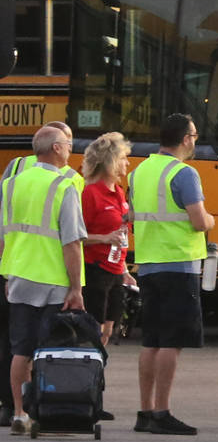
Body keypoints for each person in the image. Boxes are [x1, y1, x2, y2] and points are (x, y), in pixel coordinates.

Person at [129, 113, 214, 436]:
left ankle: (145, 410)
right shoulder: (184, 174)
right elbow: (197, 220)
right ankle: (163, 412)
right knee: (172, 341)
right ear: (186, 139)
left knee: (151, 340)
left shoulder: (140, 172)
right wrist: (211, 221)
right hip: (179, 265)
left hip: (149, 264)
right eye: (194, 136)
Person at [0, 125, 87, 435]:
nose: (70, 149)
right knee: (50, 348)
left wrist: (7, 273)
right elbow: (72, 243)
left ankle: (19, 413)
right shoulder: (64, 187)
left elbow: (3, 236)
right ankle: (43, 410)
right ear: (56, 149)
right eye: (67, 144)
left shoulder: (10, 184)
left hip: (19, 276)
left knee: (20, 349)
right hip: (54, 280)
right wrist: (76, 287)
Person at [81, 132, 134, 348]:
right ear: (110, 161)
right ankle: (87, 375)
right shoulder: (90, 194)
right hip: (95, 270)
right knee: (94, 329)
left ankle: (97, 374)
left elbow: (121, 233)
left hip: (115, 272)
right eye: (123, 158)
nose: (127, 163)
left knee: (109, 331)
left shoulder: (119, 192)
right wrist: (103, 238)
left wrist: (125, 271)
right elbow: (76, 236)